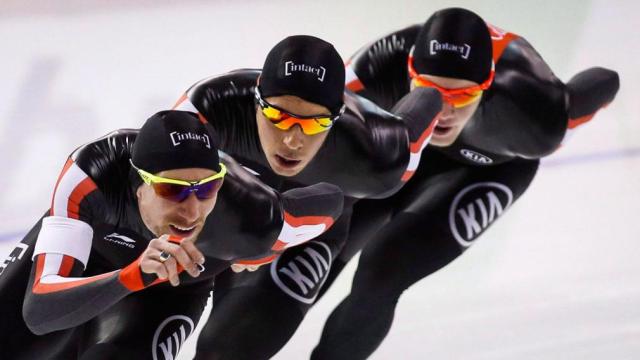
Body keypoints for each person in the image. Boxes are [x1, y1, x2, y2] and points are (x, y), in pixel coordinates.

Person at [311, 7, 620, 359]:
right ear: (409, 71)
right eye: (429, 90)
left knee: (384, 267)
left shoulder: (533, 110)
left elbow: (603, 81)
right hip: (402, 150)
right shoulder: (378, 65)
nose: (442, 110)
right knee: (314, 247)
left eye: (460, 96)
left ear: (487, 86)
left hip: (485, 171)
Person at [171, 35, 442, 358]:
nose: (292, 140)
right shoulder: (208, 110)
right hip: (229, 221)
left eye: (314, 124)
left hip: (309, 231)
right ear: (256, 100)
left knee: (225, 351)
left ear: (337, 118)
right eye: (278, 116)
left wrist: (272, 241)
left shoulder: (375, 153)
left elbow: (427, 102)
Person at [0, 110, 344, 359]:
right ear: (139, 186)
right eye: (172, 191)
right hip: (90, 262)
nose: (192, 212)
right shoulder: (91, 177)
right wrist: (131, 276)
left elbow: (331, 202)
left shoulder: (248, 214)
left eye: (207, 190)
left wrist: (264, 248)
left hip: (170, 290)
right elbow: (40, 312)